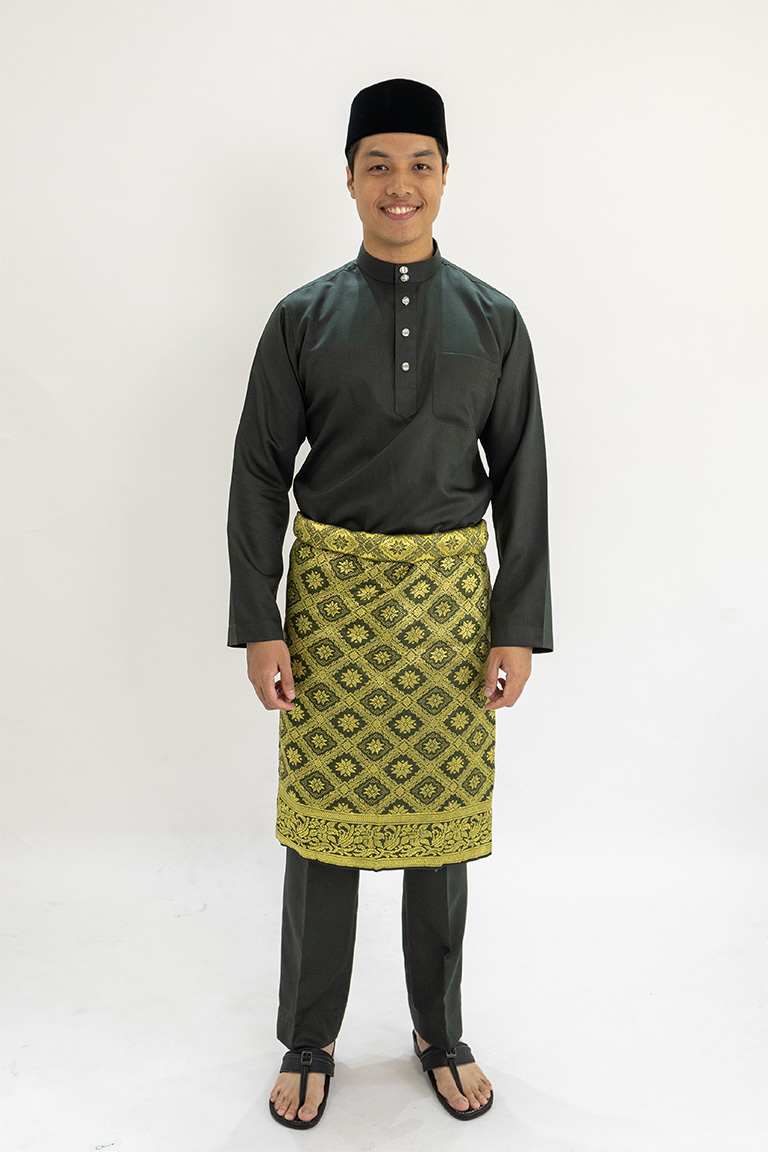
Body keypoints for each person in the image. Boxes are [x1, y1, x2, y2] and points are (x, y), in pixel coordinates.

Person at [227, 77, 553, 1129]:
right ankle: (309, 1037)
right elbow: (259, 473)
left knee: (441, 836)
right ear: (351, 179)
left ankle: (439, 1030)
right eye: (379, 165)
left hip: (451, 614)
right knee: (322, 838)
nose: (399, 185)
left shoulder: (493, 319)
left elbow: (523, 475)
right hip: (330, 611)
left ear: (446, 177)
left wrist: (516, 624)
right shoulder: (302, 317)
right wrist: (260, 620)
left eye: (419, 164)